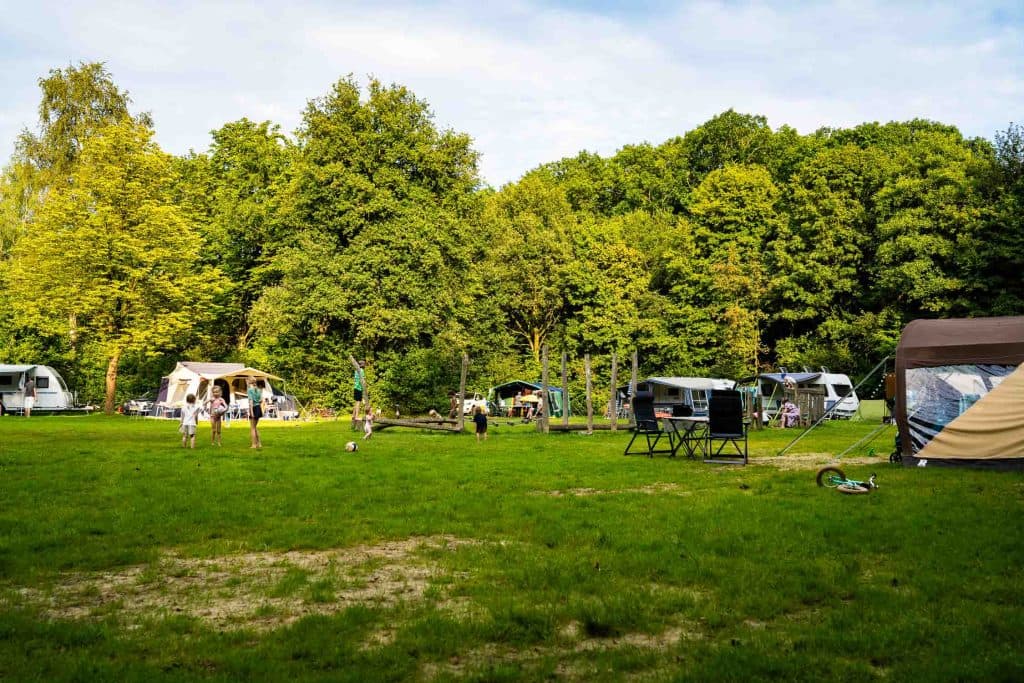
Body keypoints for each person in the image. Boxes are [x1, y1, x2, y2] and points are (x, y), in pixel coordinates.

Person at [247, 378, 265, 449]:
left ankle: (254, 445)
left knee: (252, 428)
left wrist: (251, 412)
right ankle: (259, 443)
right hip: (258, 408)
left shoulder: (250, 390)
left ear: (248, 381)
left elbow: (251, 402)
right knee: (255, 427)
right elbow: (261, 400)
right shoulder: (259, 390)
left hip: (254, 408)